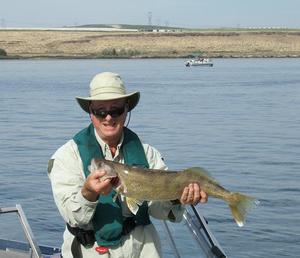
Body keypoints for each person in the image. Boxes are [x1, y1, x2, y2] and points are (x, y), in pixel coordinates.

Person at [48, 72, 208, 258]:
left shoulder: (149, 154)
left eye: (115, 110)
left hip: (143, 249)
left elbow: (160, 211)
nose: (108, 117)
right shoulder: (66, 156)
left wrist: (177, 199)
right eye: (101, 111)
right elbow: (72, 217)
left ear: (126, 110)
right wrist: (89, 193)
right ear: (90, 112)